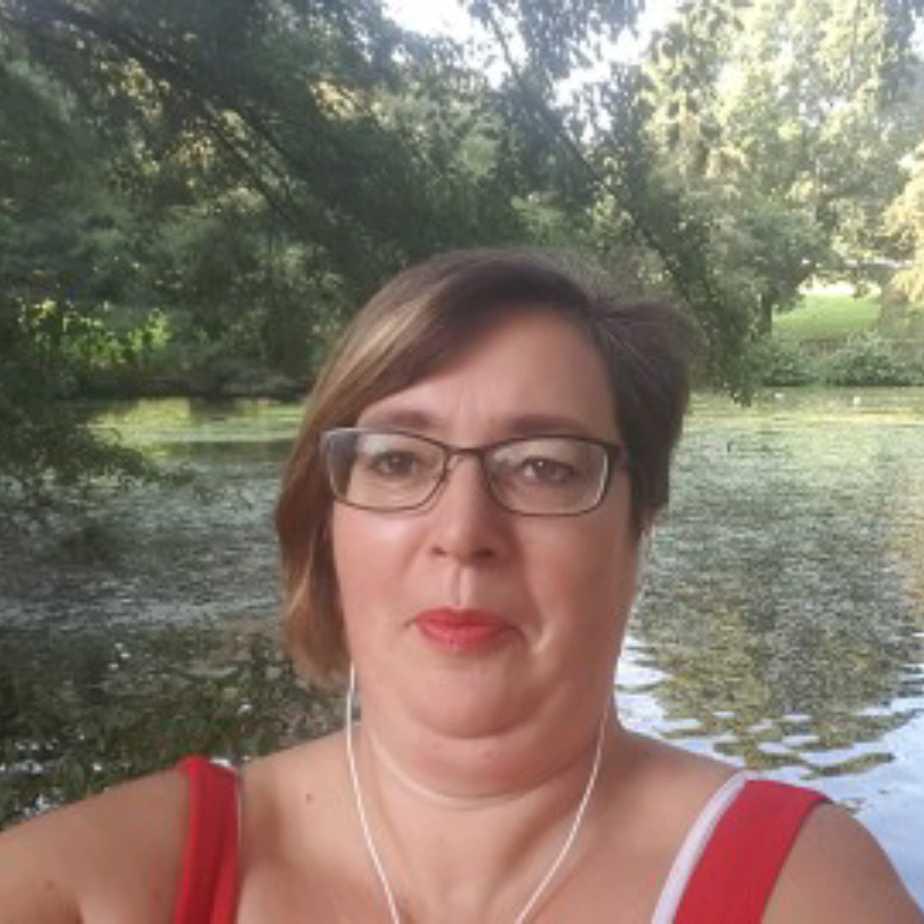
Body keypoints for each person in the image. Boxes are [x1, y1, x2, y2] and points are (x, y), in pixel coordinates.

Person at [0, 247, 921, 923]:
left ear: (638, 528)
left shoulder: (803, 893)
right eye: (398, 460)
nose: (463, 533)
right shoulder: (97, 889)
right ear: (328, 522)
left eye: (544, 466)